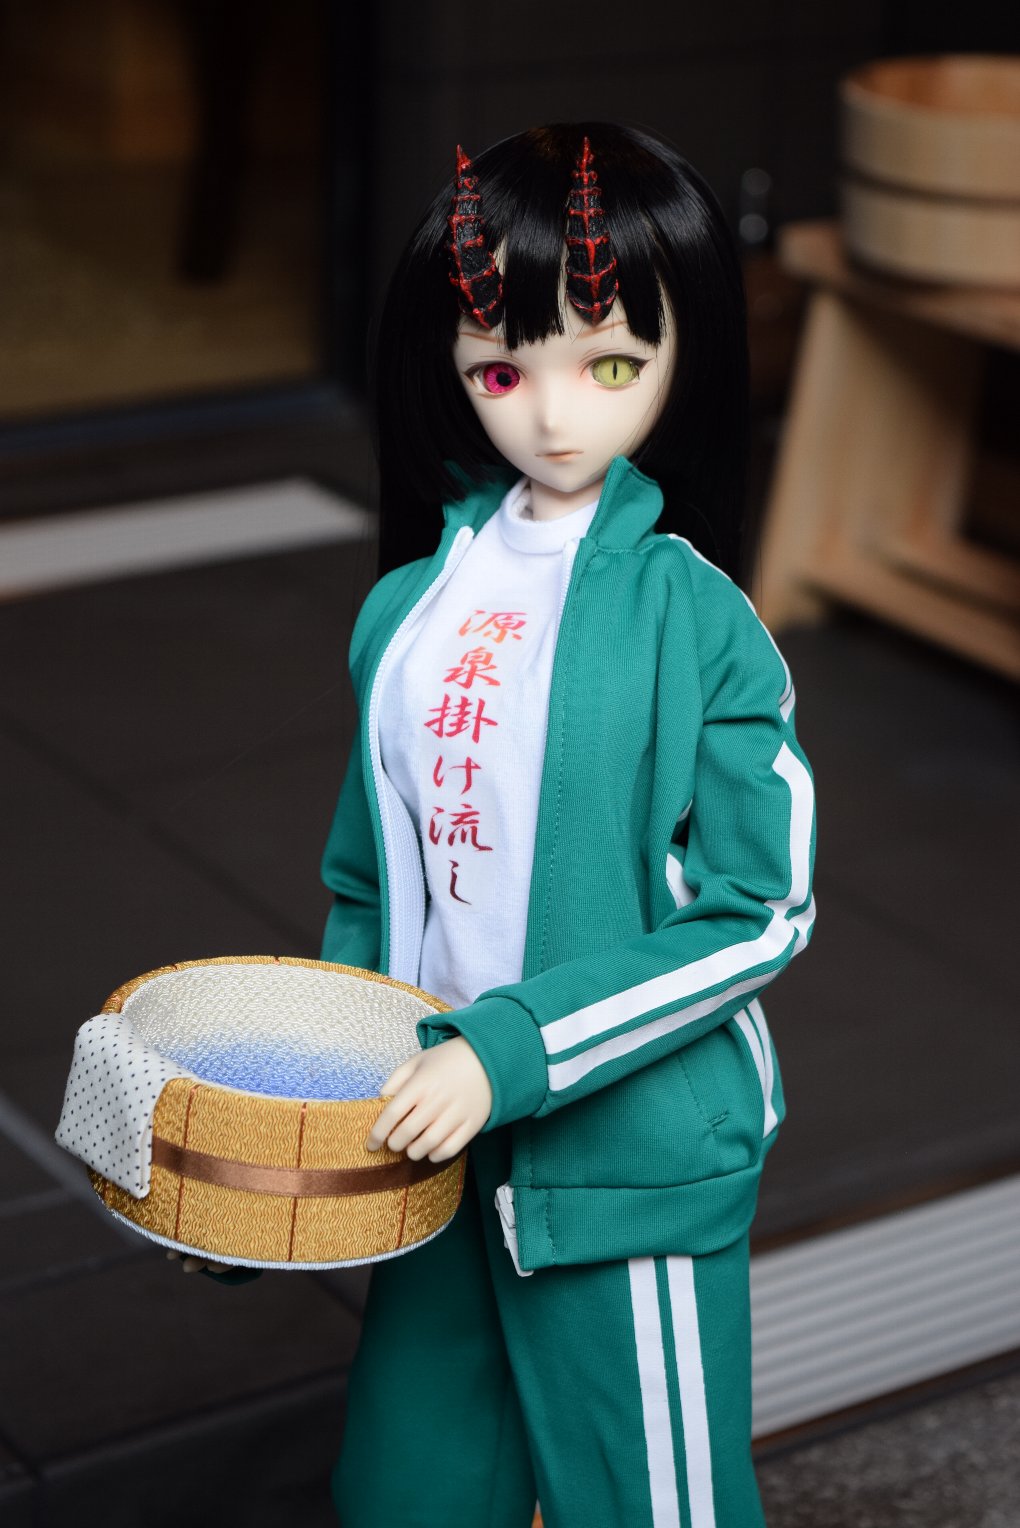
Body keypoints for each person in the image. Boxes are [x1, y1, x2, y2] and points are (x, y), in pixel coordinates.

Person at [321, 122, 816, 1528]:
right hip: (427, 1137)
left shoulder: (698, 621)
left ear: (680, 356)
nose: (551, 417)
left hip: (625, 1162)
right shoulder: (406, 613)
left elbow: (762, 910)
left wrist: (515, 1053)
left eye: (609, 364)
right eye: (502, 369)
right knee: (404, 1491)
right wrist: (310, 1136)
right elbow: (366, 887)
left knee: (653, 1504)